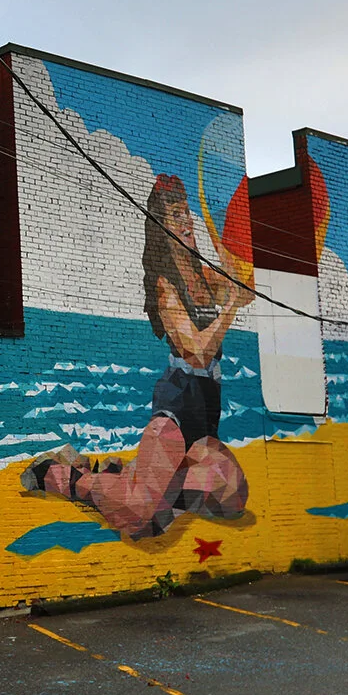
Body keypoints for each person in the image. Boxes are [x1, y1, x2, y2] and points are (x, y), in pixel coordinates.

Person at [23, 174, 253, 539]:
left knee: (232, 497)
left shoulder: (205, 277)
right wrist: (231, 309)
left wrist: (239, 268)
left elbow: (242, 281)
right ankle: (63, 476)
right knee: (141, 518)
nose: (186, 221)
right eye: (176, 215)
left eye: (187, 213)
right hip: (176, 408)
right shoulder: (165, 287)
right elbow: (195, 351)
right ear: (161, 225)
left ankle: (124, 474)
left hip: (206, 420)